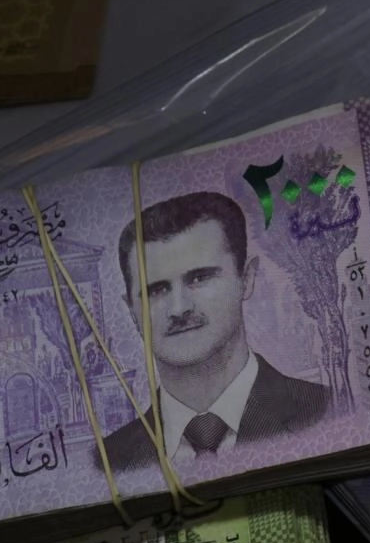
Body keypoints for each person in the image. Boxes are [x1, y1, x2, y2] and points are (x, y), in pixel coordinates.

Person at [99, 191, 328, 471]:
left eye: (199, 278)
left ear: (246, 279)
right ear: (132, 310)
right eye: (156, 291)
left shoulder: (327, 410)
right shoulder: (108, 462)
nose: (179, 308)